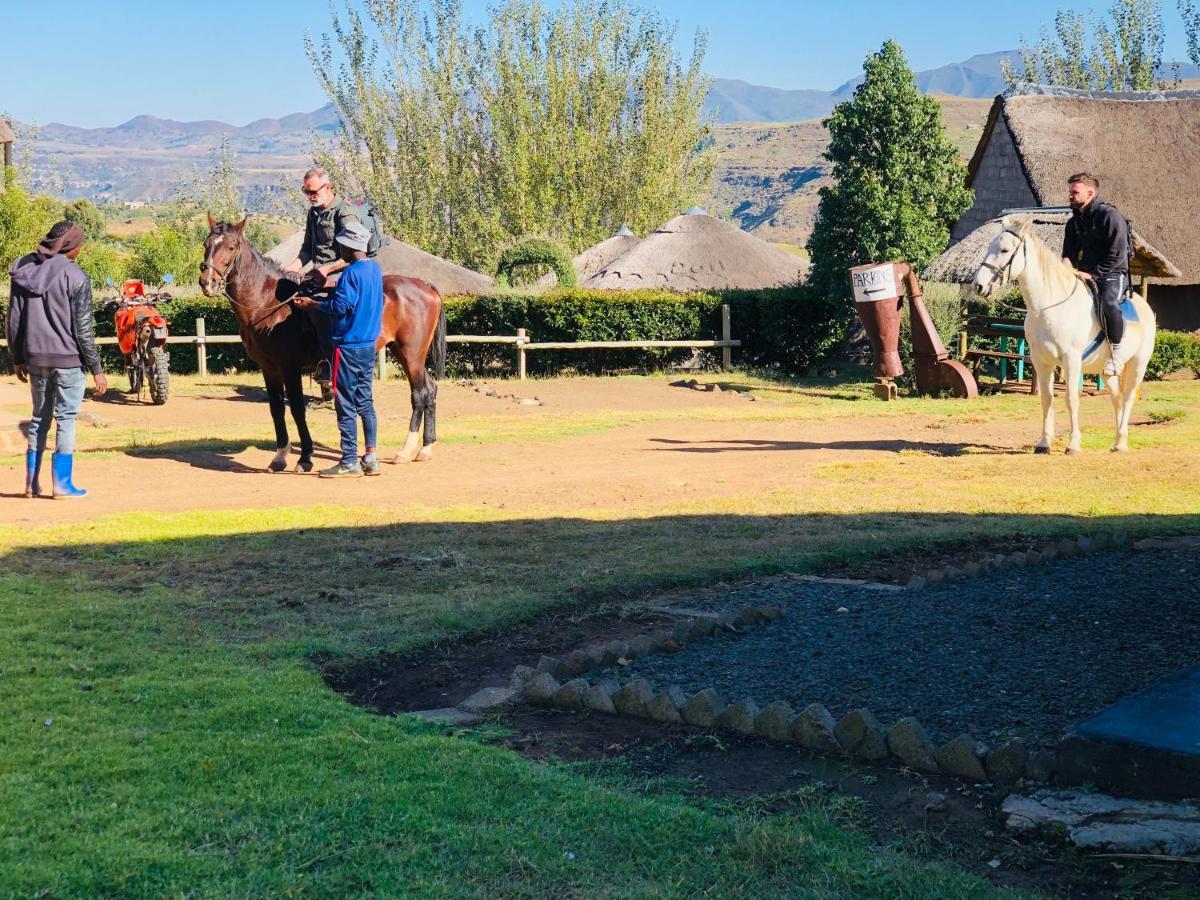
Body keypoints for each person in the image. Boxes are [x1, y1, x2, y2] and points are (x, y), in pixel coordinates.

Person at [6, 221, 108, 498]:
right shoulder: (76, 277)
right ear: (71, 247)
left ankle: (30, 484)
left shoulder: (24, 270)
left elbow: (14, 319)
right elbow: (83, 330)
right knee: (65, 419)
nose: (81, 249)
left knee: (39, 418)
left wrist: (17, 357)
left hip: (36, 359)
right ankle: (62, 485)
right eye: (80, 244)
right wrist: (97, 369)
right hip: (68, 361)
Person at [292, 222, 383, 479]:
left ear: (349, 245)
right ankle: (371, 457)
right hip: (368, 345)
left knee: (344, 403)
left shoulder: (351, 274)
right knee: (365, 402)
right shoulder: (374, 270)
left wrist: (313, 304)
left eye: (341, 243)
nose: (339, 247)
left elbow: (340, 307)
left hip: (347, 346)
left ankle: (349, 461)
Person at [283, 167, 365, 394]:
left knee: (319, 309)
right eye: (305, 192)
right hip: (318, 276)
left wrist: (328, 269)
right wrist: (292, 267)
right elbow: (307, 250)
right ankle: (313, 360)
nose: (309, 197)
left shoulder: (344, 213)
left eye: (312, 192)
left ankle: (332, 366)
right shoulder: (313, 213)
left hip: (342, 275)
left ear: (327, 187)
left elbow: (355, 253)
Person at [1062, 172, 1131, 377]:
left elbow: (1118, 254)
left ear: (1090, 193)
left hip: (1112, 273)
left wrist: (1093, 274)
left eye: (1075, 192)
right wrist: (1067, 266)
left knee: (1108, 303)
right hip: (1083, 273)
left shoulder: (1110, 216)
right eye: (1070, 192)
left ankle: (1117, 352)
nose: (1070, 195)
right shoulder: (1073, 223)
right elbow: (1068, 254)